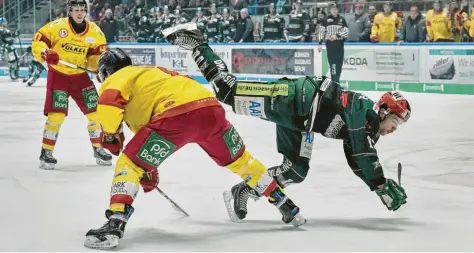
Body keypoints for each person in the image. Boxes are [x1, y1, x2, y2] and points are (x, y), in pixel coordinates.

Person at [163, 22, 409, 222]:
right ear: (384, 110)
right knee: (227, 90)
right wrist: (380, 183)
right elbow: (362, 150)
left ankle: (244, 190)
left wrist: (377, 186)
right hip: (291, 98)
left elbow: (356, 158)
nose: (395, 129)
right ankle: (197, 41)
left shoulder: (368, 131)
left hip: (303, 123)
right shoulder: (364, 110)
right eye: (395, 122)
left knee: (295, 171)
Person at [83, 48, 307, 250]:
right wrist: (147, 168)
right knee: (243, 162)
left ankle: (115, 223)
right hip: (211, 110)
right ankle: (285, 205)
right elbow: (146, 137)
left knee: (128, 164)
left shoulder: (119, 76)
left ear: (106, 71)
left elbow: (109, 102)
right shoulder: (153, 74)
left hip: (176, 116)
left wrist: (110, 134)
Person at [31, 0, 112, 170]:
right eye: (76, 10)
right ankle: (46, 151)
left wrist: (97, 67)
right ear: (69, 11)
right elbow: (38, 42)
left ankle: (98, 148)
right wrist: (46, 53)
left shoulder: (96, 32)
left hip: (80, 77)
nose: (80, 13)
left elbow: (95, 58)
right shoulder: (56, 27)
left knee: (95, 113)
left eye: (82, 9)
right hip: (58, 75)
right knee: (57, 115)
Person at [317, 3, 348, 83]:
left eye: (336, 9)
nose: (334, 11)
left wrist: (336, 35)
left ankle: (336, 82)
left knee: (339, 65)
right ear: (330, 10)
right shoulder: (325, 19)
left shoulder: (342, 19)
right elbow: (321, 31)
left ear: (338, 10)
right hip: (331, 46)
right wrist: (319, 43)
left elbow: (346, 32)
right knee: (333, 65)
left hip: (340, 45)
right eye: (332, 9)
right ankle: (335, 83)